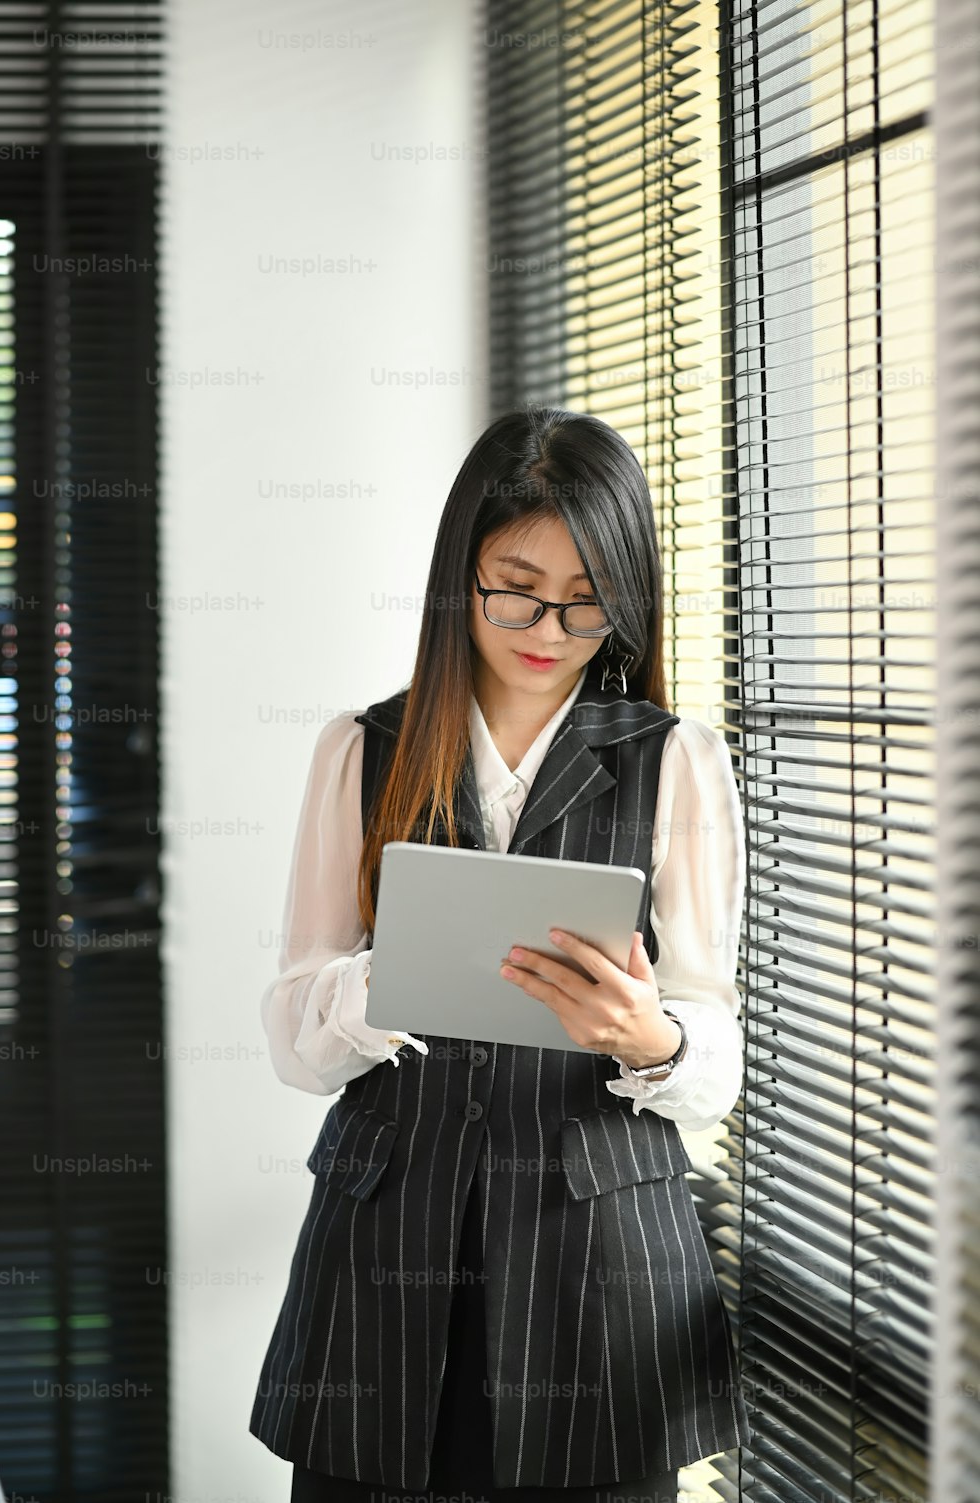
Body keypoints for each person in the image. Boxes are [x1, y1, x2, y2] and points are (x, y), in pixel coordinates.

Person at [249, 406, 751, 1501]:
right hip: (383, 1258)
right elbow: (294, 1037)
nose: (548, 627)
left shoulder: (679, 763)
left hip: (601, 1277)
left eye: (587, 601)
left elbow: (716, 1059)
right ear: (457, 577)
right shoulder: (360, 751)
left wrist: (652, 1037)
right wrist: (391, 978)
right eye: (515, 587)